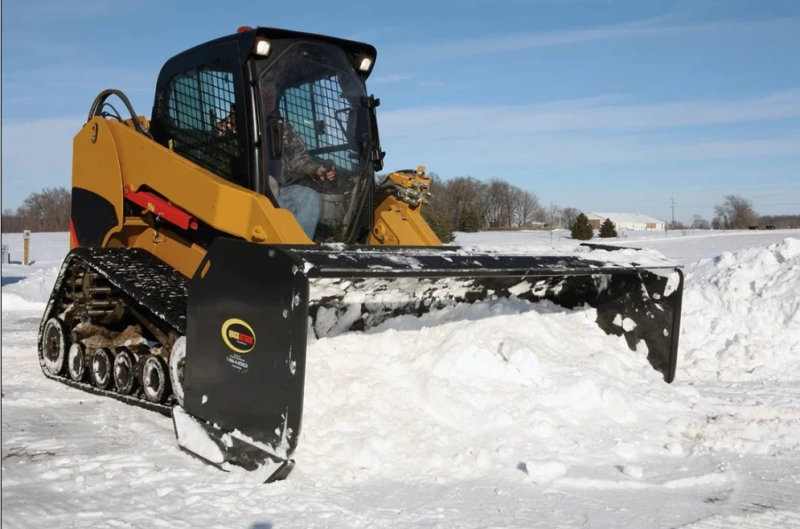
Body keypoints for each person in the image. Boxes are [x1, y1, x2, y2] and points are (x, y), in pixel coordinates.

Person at [261, 82, 335, 240]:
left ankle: (298, 248)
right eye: (265, 91)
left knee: (308, 197)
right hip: (248, 188)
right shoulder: (237, 123)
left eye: (272, 93)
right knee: (269, 183)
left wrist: (317, 170)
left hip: (278, 191)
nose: (269, 96)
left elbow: (298, 157)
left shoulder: (282, 128)